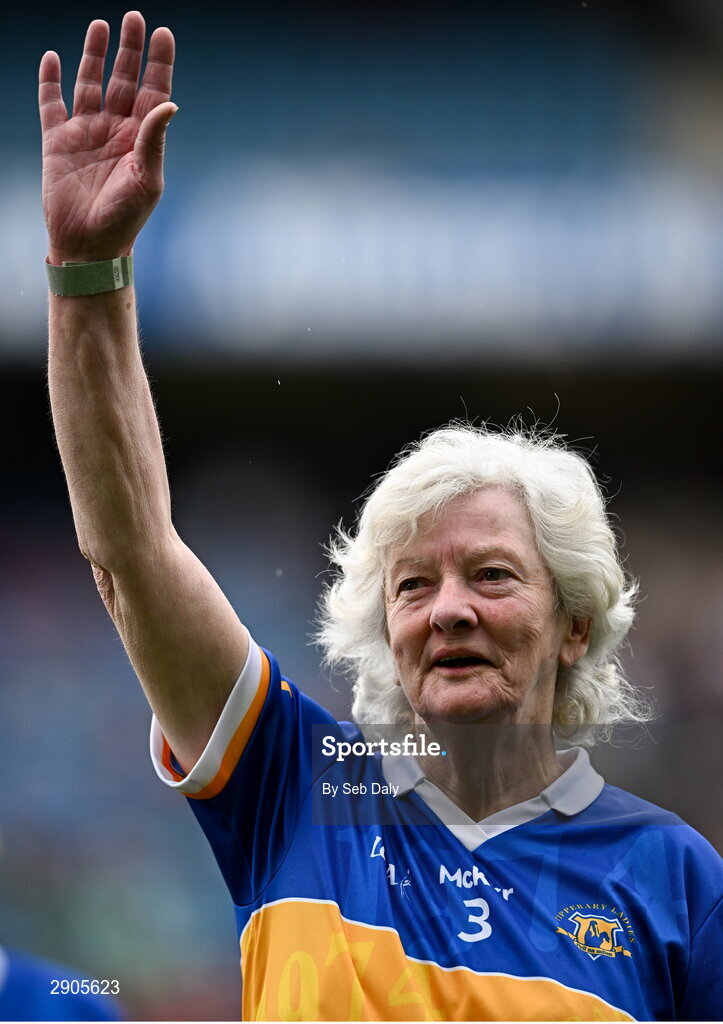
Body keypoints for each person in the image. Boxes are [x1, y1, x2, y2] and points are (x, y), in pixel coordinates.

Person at [40, 12, 722, 1022]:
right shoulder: (293, 786)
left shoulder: (676, 880)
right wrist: (90, 278)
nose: (447, 608)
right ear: (384, 628)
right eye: (414, 584)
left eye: (490, 575)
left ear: (575, 622)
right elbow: (131, 553)